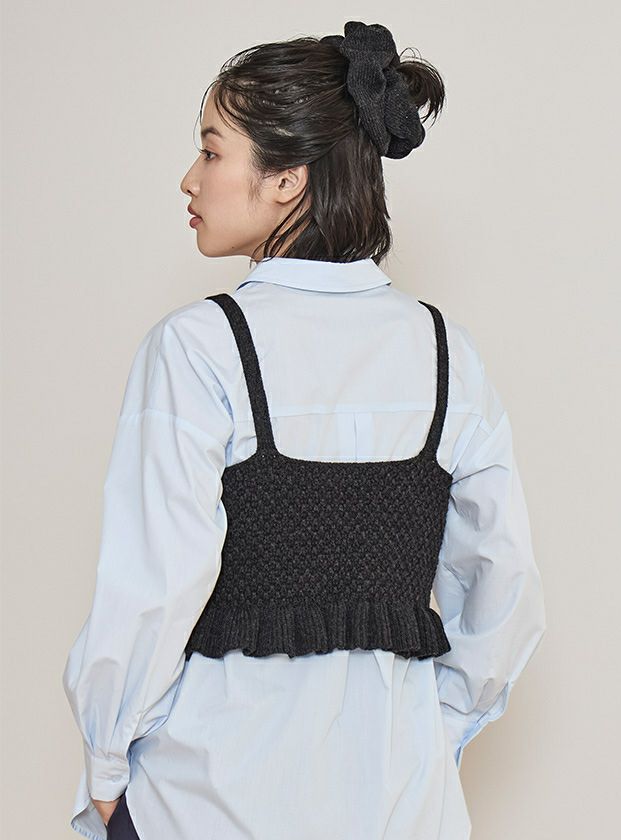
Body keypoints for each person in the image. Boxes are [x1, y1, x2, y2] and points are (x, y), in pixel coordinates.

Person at [62, 21, 547, 840]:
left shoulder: (198, 347)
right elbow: (505, 585)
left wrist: (106, 763)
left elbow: (151, 587)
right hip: (404, 805)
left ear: (287, 179)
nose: (189, 179)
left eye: (211, 152)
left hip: (209, 798)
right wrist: (432, 737)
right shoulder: (446, 352)